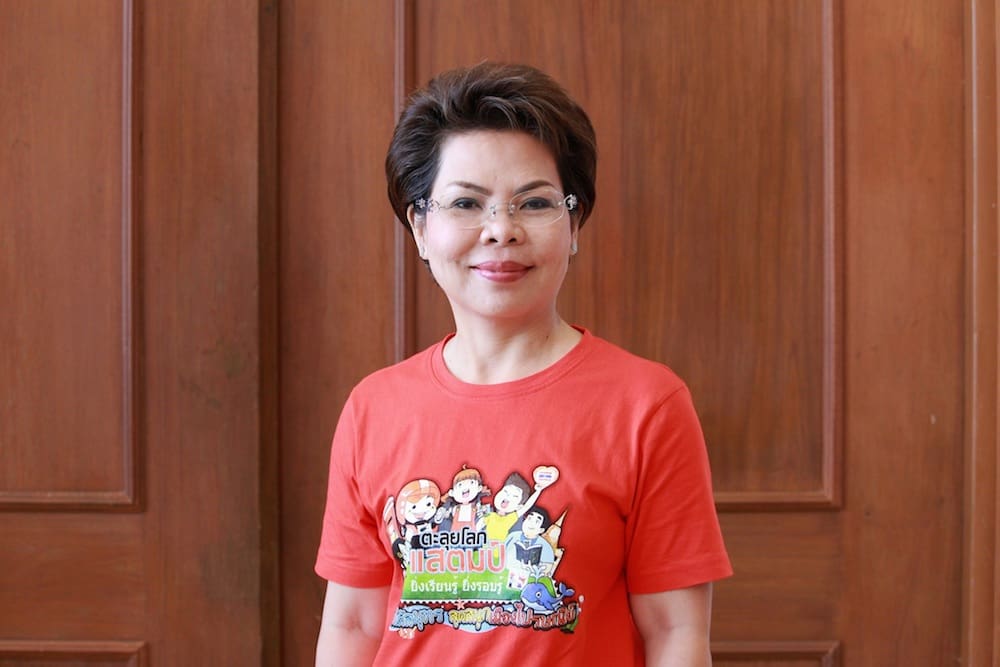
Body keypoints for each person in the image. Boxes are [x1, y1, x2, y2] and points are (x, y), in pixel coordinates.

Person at [314, 62, 732, 666]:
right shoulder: (373, 409)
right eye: (466, 203)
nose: (500, 231)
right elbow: (353, 624)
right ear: (420, 227)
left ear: (573, 224)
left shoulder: (647, 406)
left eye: (534, 203)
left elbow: (675, 632)